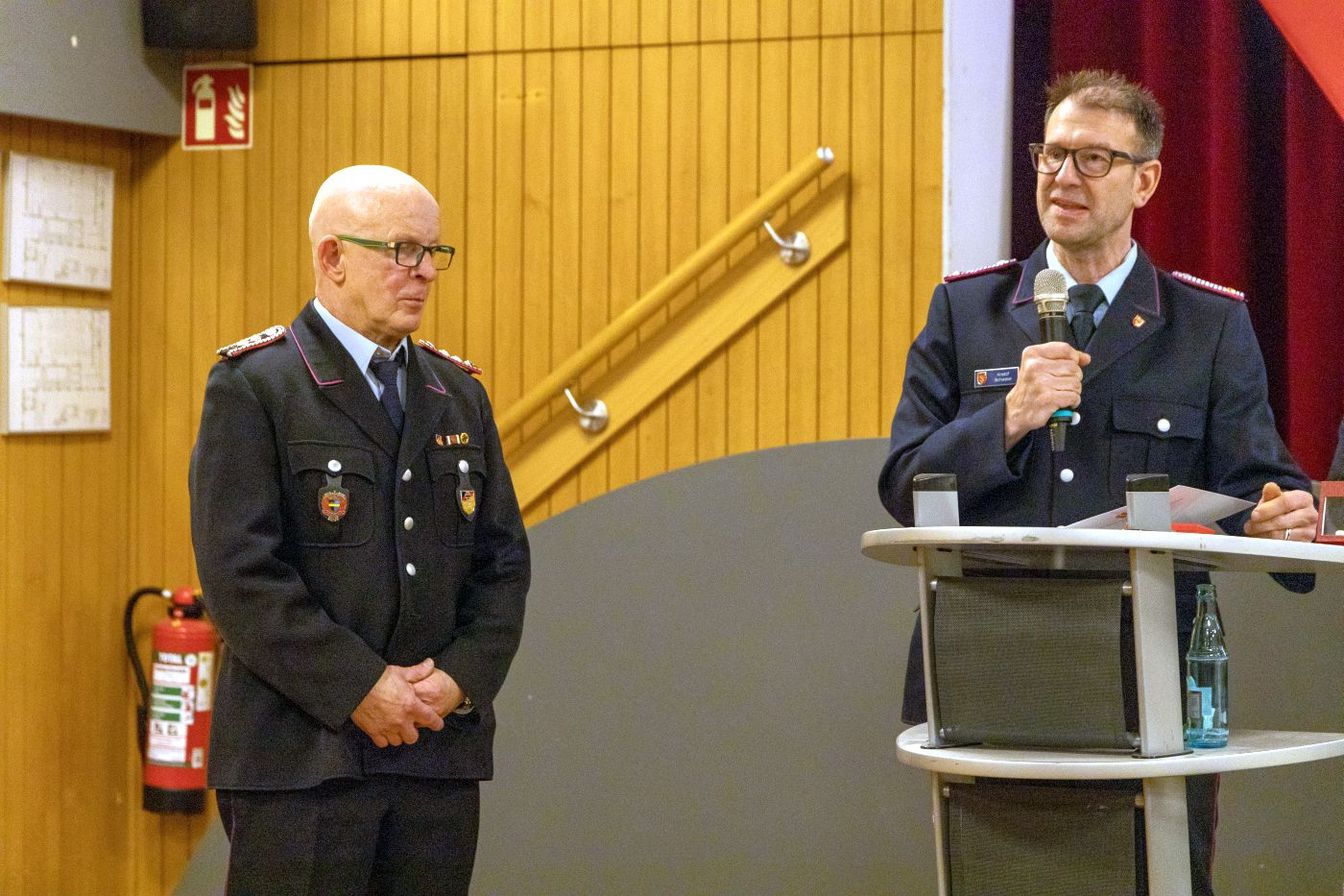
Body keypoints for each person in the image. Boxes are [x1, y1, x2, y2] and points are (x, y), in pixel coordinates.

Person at [878, 71, 1317, 895]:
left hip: (1147, 672)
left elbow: (1262, 486)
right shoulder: (965, 311)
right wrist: (1008, 417)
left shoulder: (1207, 324)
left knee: (1155, 876)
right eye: (1052, 154)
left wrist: (1279, 519)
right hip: (990, 661)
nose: (1062, 177)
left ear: (1144, 180)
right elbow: (904, 485)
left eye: (1092, 159)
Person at [189, 164, 530, 895]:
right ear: (333, 257)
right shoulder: (258, 386)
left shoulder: (456, 393)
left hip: (434, 752)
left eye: (433, 252)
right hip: (301, 758)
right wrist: (360, 686)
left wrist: (457, 681)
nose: (424, 272)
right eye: (403, 250)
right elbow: (241, 576)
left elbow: (502, 564)